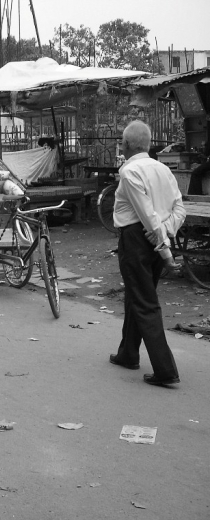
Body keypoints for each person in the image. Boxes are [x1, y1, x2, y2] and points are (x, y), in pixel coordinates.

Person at [109, 120, 186, 386]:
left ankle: (165, 370)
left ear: (127, 144)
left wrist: (162, 243)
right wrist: (165, 232)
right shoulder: (163, 169)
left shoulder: (129, 171)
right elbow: (179, 210)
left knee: (144, 302)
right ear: (149, 144)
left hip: (137, 240)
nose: (120, 145)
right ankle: (127, 353)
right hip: (154, 240)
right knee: (137, 295)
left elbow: (147, 215)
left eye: (121, 141)